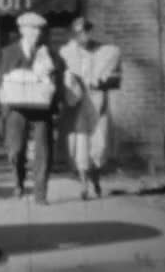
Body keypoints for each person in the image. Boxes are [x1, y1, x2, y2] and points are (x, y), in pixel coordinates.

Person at [57, 17, 122, 200]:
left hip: (97, 103)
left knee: (99, 145)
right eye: (79, 32)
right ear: (74, 34)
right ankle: (84, 185)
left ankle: (96, 180)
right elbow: (60, 78)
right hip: (76, 106)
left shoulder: (104, 52)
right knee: (80, 145)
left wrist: (102, 79)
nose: (84, 36)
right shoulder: (66, 53)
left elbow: (114, 73)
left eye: (87, 31)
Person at [0, 12, 60, 205]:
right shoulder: (9, 52)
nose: (36, 32)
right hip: (16, 108)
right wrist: (4, 111)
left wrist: (49, 78)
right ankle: (18, 179)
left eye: (39, 29)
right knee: (15, 150)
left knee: (43, 150)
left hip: (41, 107)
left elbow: (55, 80)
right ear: (22, 30)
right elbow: (3, 83)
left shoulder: (48, 52)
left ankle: (40, 194)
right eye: (32, 28)